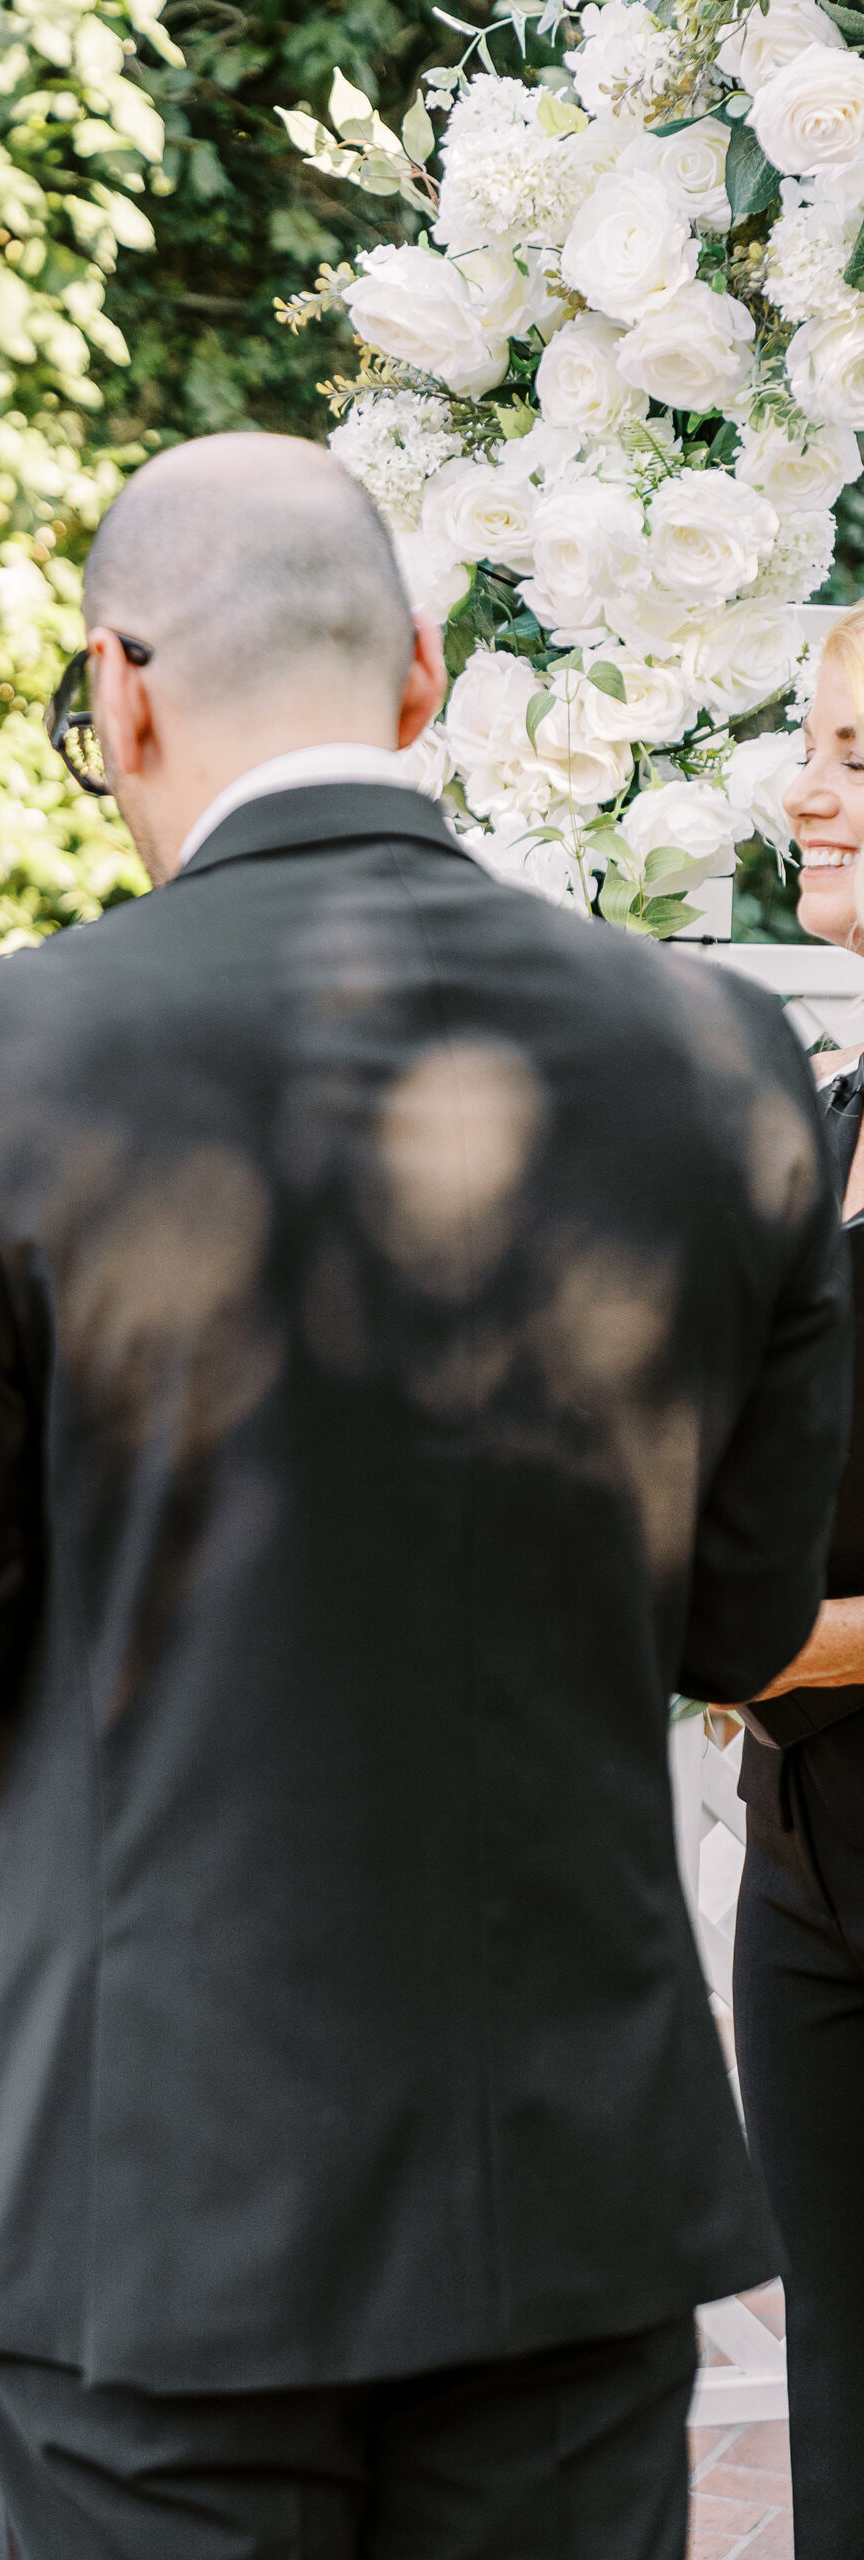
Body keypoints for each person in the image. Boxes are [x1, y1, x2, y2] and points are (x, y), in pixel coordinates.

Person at [0, 432, 849, 2560]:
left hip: (151, 2194)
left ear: (121, 694)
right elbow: (739, 1622)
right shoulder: (716, 1055)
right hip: (565, 2192)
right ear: (424, 677)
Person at [731, 604, 864, 2560]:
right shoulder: (819, 1115)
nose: (807, 793)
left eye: (855, 756)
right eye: (813, 745)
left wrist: (794, 1640)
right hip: (804, 1865)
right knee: (836, 2394)